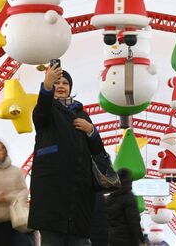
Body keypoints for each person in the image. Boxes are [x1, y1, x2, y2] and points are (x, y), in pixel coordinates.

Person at [28, 64, 105, 245]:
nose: (61, 85)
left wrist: (92, 131)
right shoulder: (45, 110)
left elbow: (97, 150)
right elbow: (41, 115)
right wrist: (46, 87)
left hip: (79, 196)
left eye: (65, 83)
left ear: (70, 87)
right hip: (52, 191)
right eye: (56, 82)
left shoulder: (83, 115)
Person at [106, 168, 146, 245]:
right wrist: (141, 238)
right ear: (129, 181)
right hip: (128, 239)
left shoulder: (110, 198)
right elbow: (133, 221)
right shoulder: (129, 197)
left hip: (112, 238)